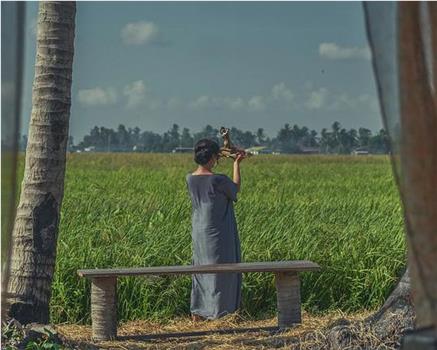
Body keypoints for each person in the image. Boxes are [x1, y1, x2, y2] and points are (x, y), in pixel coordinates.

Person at [186, 138, 246, 321]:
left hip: (199, 231)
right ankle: (221, 313)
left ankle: (199, 311)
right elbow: (235, 190)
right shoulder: (218, 180)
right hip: (218, 231)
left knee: (201, 270)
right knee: (222, 272)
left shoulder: (189, 178)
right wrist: (236, 163)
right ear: (212, 158)